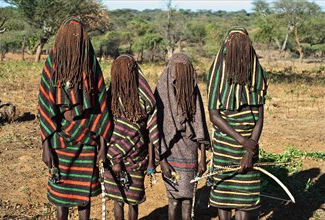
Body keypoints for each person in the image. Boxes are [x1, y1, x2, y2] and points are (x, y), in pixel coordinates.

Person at [38, 17, 111, 219]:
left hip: (87, 141)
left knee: (83, 197)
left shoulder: (90, 62)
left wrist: (103, 146)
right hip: (60, 140)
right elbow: (44, 104)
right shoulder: (53, 60)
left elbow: (102, 106)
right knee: (61, 198)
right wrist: (45, 146)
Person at [207, 27, 268, 220]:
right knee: (223, 198)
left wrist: (249, 151)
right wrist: (243, 141)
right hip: (226, 146)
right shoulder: (218, 74)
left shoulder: (256, 75)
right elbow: (214, 115)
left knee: (245, 201)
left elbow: (259, 118)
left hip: (250, 144)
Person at [103, 55, 160, 220]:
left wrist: (150, 161)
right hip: (121, 157)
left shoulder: (112, 98)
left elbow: (150, 131)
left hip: (127, 156)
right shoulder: (114, 99)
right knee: (124, 201)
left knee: (125, 200)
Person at [154, 53, 210, 220]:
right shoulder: (162, 91)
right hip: (170, 152)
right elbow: (157, 129)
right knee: (173, 200)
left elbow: (199, 124)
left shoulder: (192, 90)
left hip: (190, 150)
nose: (180, 74)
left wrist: (202, 158)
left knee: (187, 199)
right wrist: (162, 161)